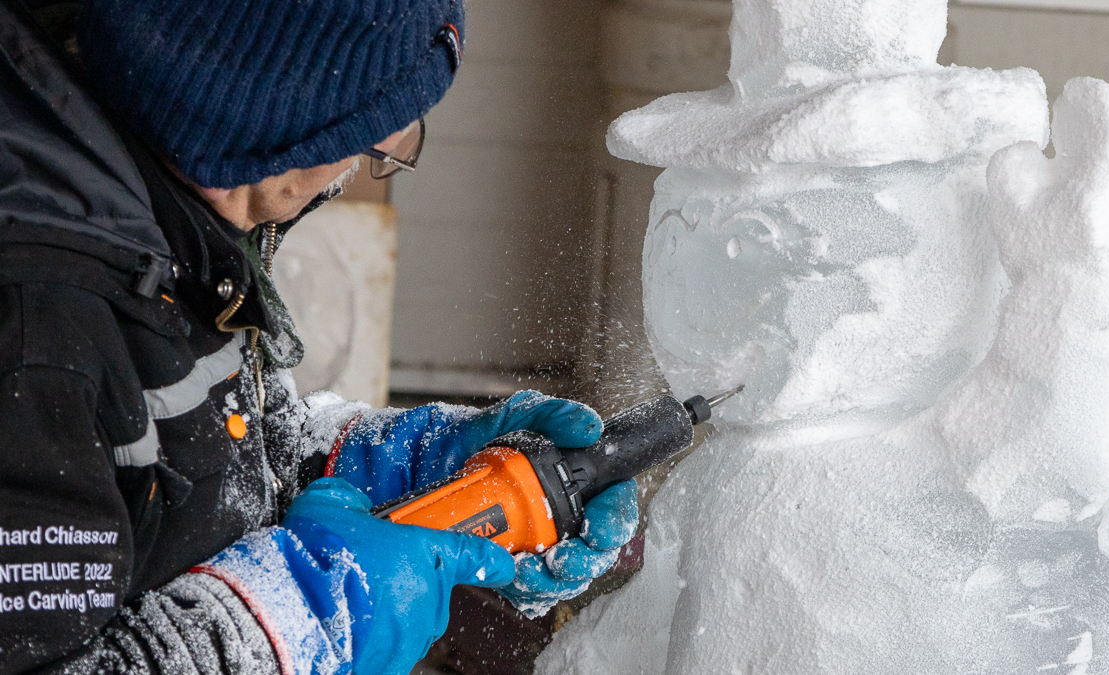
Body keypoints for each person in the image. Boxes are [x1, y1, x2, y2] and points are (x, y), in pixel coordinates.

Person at [0, 0, 639, 673]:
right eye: (362, 142)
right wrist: (308, 614)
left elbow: (224, 472)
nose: (344, 176)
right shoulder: (37, 326)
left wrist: (410, 471)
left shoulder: (171, 221)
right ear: (266, 116)